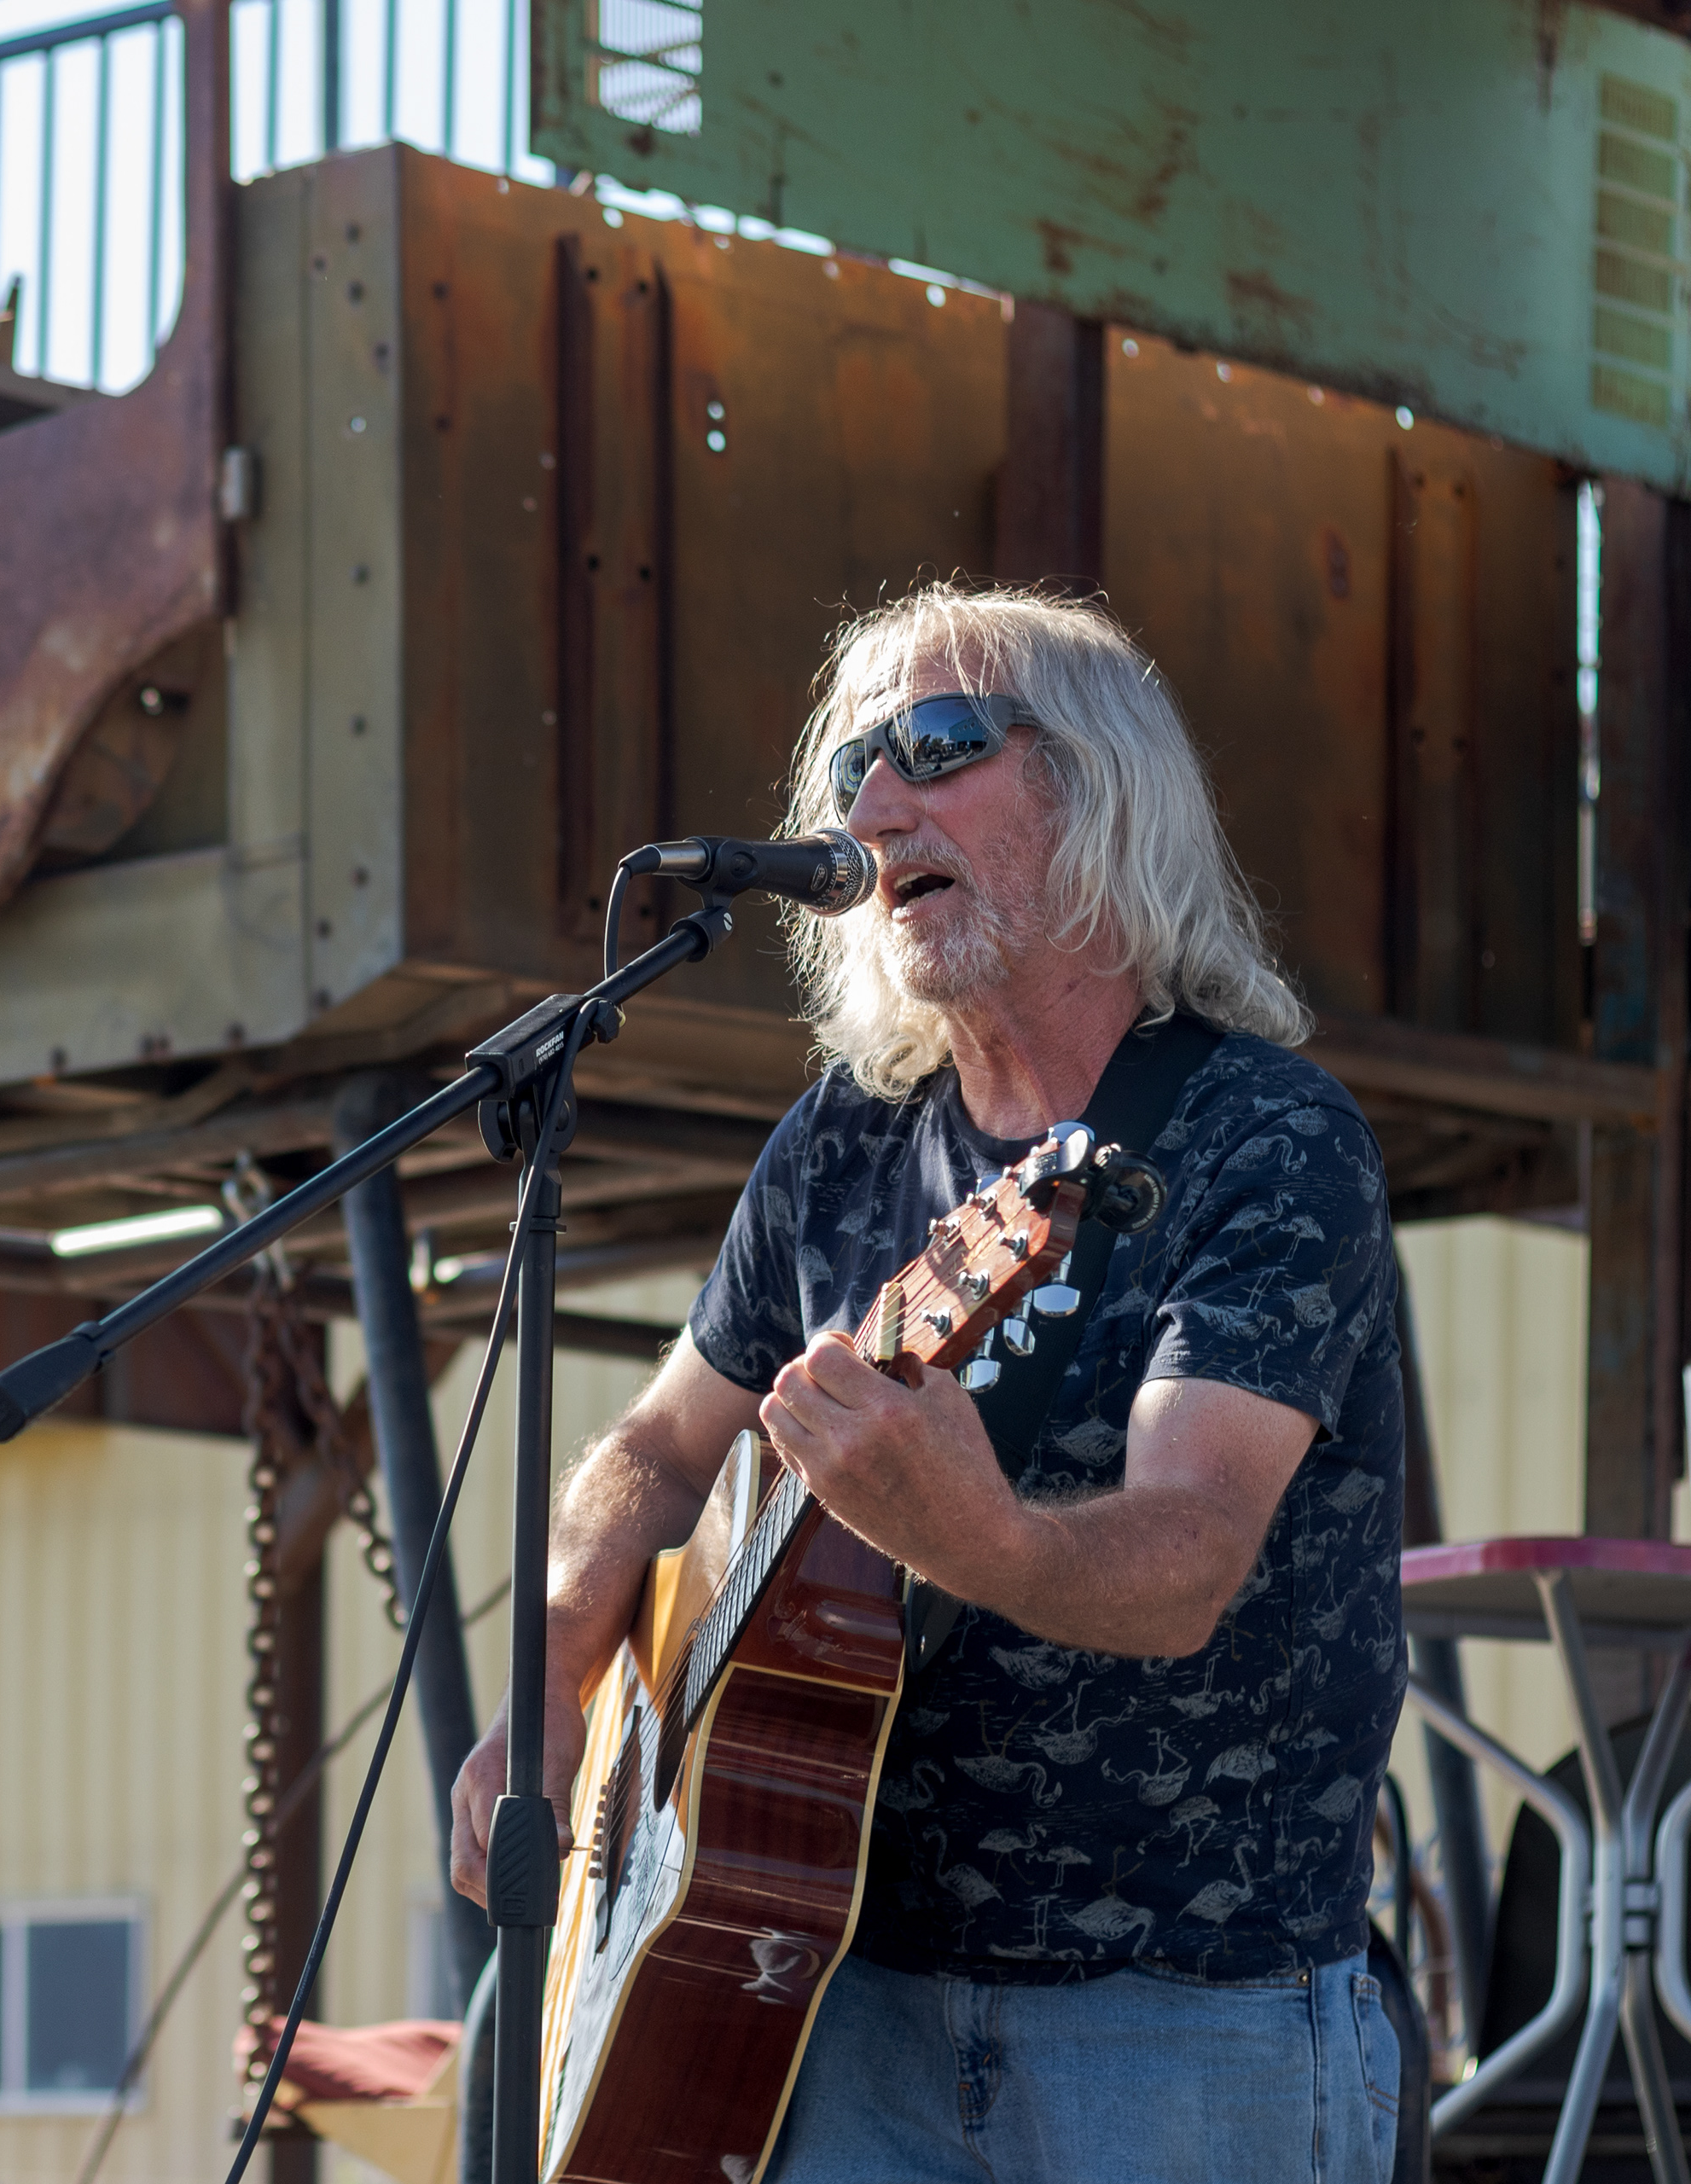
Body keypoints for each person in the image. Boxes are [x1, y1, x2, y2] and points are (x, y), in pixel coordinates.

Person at [450, 584, 1405, 2181]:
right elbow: (656, 1452)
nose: (875, 809)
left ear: (1099, 797)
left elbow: (1184, 1562)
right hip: (834, 2014)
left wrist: (983, 1536)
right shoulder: (843, 1144)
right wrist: (556, 1675)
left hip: (1185, 2027)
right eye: (848, 772)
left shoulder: (1266, 1142)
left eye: (940, 747)